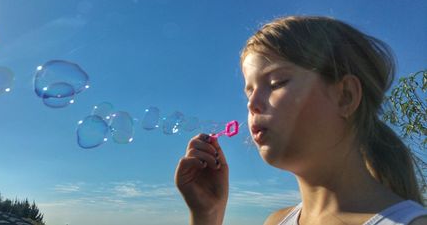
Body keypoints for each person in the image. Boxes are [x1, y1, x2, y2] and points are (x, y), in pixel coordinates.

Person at [174, 16, 427, 225]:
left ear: (345, 96)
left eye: (276, 83)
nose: (252, 104)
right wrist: (207, 214)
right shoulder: (276, 221)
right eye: (249, 92)